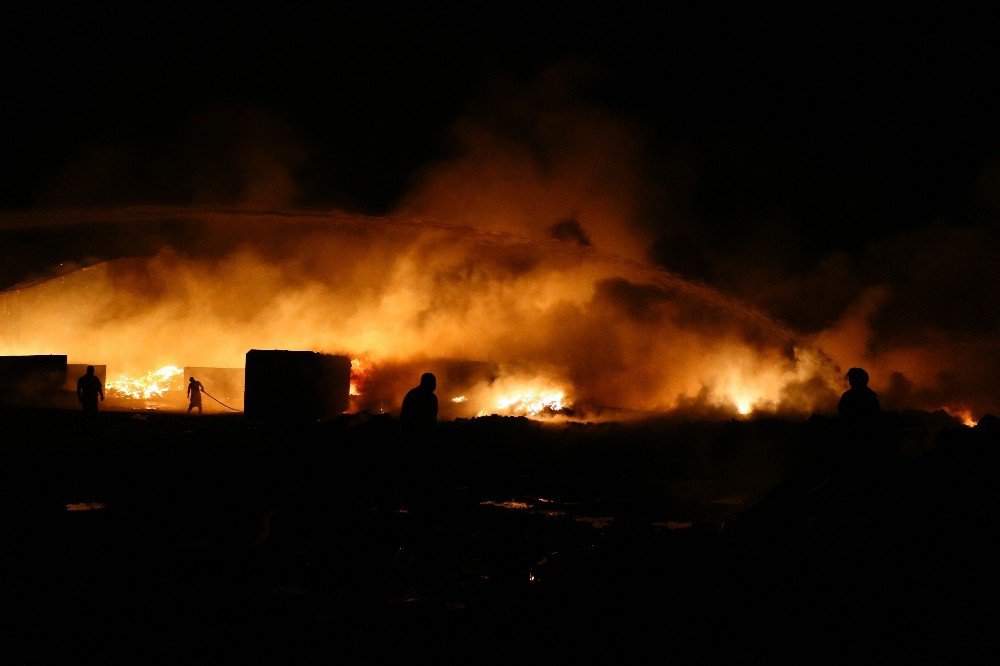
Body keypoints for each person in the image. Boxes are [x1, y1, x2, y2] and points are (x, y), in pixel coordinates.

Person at [400, 372, 438, 438]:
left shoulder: (411, 394)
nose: (435, 386)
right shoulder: (431, 397)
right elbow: (432, 417)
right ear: (428, 383)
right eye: (433, 382)